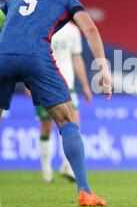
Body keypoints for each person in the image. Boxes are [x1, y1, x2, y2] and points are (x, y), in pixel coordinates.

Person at [0, 0, 112, 207]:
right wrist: (103, 68)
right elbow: (90, 29)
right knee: (67, 119)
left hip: (0, 58)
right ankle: (84, 192)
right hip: (35, 57)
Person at [27, 22, 93, 183]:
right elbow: (30, 56)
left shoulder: (72, 30)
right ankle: (46, 168)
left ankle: (67, 165)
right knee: (46, 126)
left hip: (67, 86)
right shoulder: (40, 25)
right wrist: (28, 82)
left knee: (74, 123)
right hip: (43, 85)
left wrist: (85, 85)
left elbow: (77, 58)